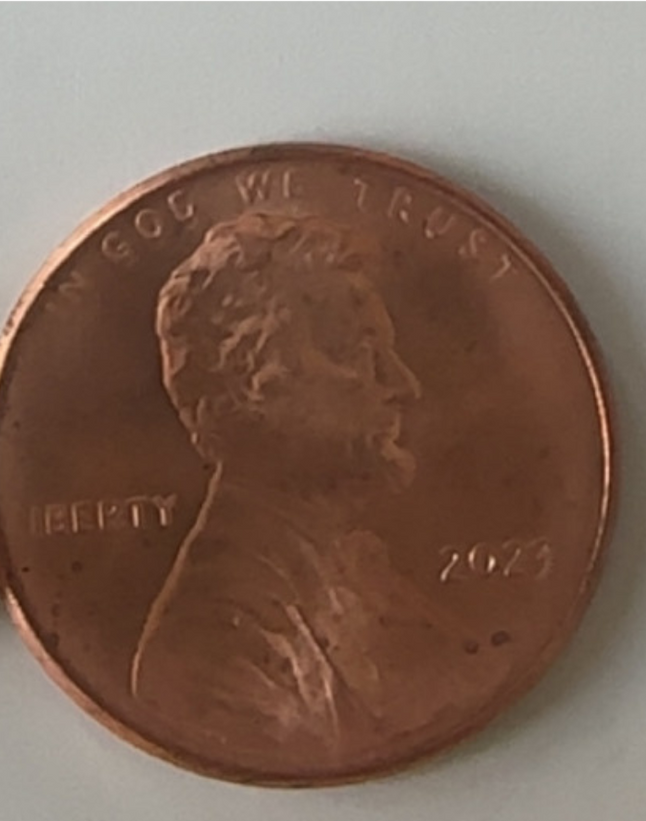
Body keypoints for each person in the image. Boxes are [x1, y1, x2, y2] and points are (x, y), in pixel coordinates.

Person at [131, 212, 487, 771]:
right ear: (255, 382)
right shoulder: (216, 652)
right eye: (358, 351)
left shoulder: (361, 575)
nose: (402, 384)